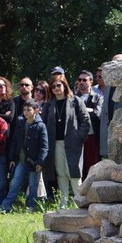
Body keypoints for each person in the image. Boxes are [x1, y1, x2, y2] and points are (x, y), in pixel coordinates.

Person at [42, 75, 90, 208]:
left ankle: (79, 201)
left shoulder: (75, 101)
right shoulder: (49, 104)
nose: (56, 88)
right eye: (53, 86)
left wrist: (78, 137)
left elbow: (85, 121)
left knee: (74, 172)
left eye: (58, 85)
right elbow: (43, 123)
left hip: (72, 143)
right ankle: (63, 201)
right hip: (55, 143)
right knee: (61, 172)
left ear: (64, 86)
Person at [0, 99, 48, 213]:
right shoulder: (20, 123)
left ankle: (31, 206)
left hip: (33, 161)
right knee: (15, 182)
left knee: (33, 185)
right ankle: (6, 205)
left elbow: (44, 146)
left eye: (29, 110)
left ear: (36, 110)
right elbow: (15, 142)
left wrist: (40, 162)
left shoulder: (41, 126)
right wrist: (11, 158)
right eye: (24, 110)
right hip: (20, 160)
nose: (26, 112)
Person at [99, 54, 122, 159]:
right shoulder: (108, 85)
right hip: (109, 139)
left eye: (119, 63)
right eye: (113, 64)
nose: (115, 66)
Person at [75, 70, 102, 178]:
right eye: (79, 80)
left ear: (91, 81)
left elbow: (97, 115)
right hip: (76, 136)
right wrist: (88, 110)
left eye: (84, 80)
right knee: (77, 166)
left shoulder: (98, 97)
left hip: (91, 136)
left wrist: (82, 110)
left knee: (91, 166)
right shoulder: (73, 98)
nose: (81, 82)